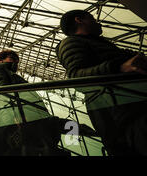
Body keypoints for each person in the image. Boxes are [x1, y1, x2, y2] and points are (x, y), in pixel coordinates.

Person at [56, 9, 147, 155]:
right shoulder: (70, 43)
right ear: (79, 20)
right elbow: (76, 77)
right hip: (125, 112)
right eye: (92, 18)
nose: (97, 22)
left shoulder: (95, 42)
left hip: (130, 105)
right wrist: (120, 67)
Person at [0, 49, 72, 156]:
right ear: (0, 60)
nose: (16, 62)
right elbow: (3, 92)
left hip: (27, 117)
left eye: (17, 60)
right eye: (12, 58)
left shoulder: (5, 72)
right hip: (23, 118)